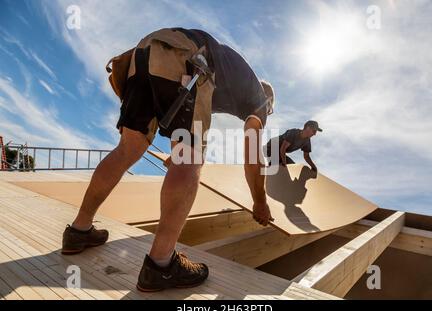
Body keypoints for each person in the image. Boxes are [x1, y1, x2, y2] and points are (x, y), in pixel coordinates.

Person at [61, 27, 275, 292]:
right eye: (270, 110)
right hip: (188, 56)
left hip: (143, 54)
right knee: (189, 158)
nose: (267, 115)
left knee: (128, 148)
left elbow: (180, 102)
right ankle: (160, 264)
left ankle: (79, 230)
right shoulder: (257, 99)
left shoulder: (234, 78)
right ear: (268, 101)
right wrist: (260, 202)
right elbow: (253, 157)